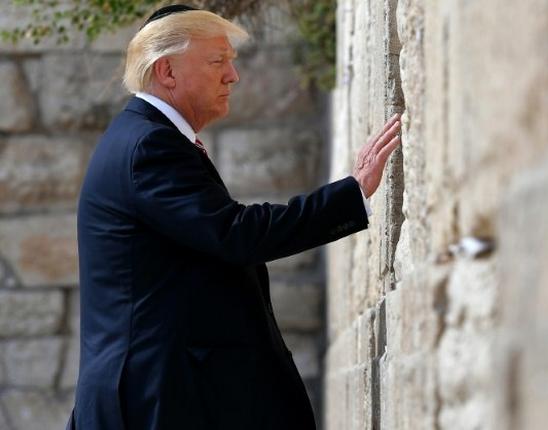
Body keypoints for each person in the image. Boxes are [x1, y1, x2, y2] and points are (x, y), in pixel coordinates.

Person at [66, 5, 401, 429]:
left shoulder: (146, 137)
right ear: (167, 71)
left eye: (231, 61)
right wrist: (351, 195)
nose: (232, 76)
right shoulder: (148, 147)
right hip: (155, 404)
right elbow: (235, 233)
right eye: (217, 61)